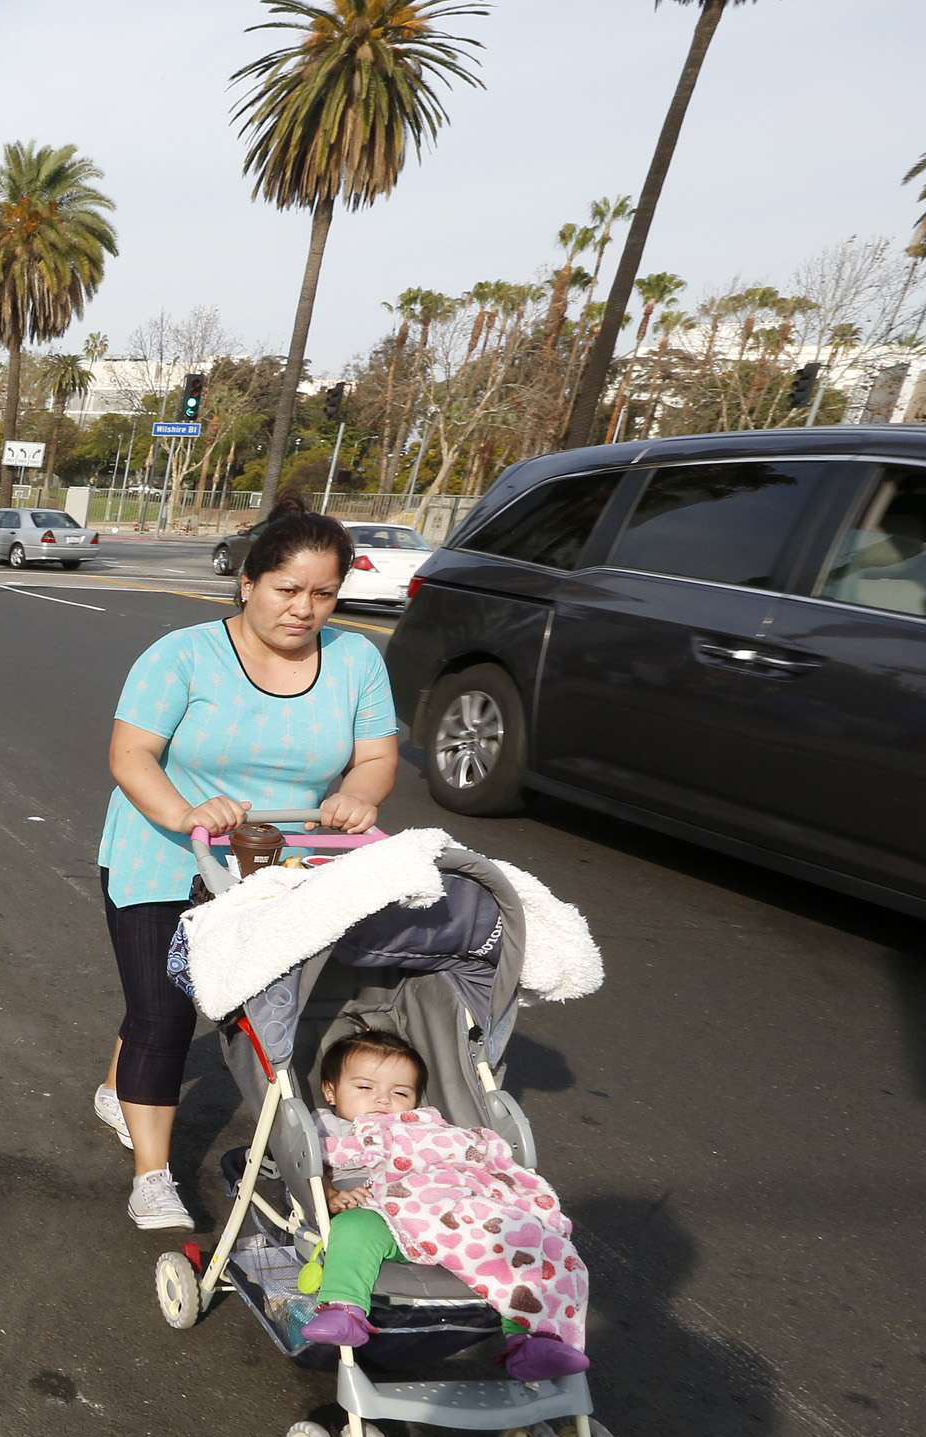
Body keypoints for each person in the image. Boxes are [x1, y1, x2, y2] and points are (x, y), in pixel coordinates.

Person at [94, 496, 397, 1229]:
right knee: (165, 1015)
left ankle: (120, 1082)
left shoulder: (356, 659)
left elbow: (377, 756)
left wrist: (357, 795)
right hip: (165, 854)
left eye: (323, 593)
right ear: (248, 583)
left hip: (280, 868)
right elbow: (130, 754)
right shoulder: (182, 655)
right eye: (287, 589)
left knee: (253, 1017)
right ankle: (152, 1175)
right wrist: (183, 812)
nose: (305, 608)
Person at [299, 1031, 591, 1380]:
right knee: (352, 1228)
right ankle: (344, 1307)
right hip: (381, 1218)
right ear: (331, 1091)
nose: (382, 1100)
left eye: (400, 1093)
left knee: (515, 1239)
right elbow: (308, 1167)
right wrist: (331, 1193)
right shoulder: (325, 1127)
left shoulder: (424, 1126)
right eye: (364, 1088)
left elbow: (457, 1156)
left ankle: (532, 1338)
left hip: (442, 1213)